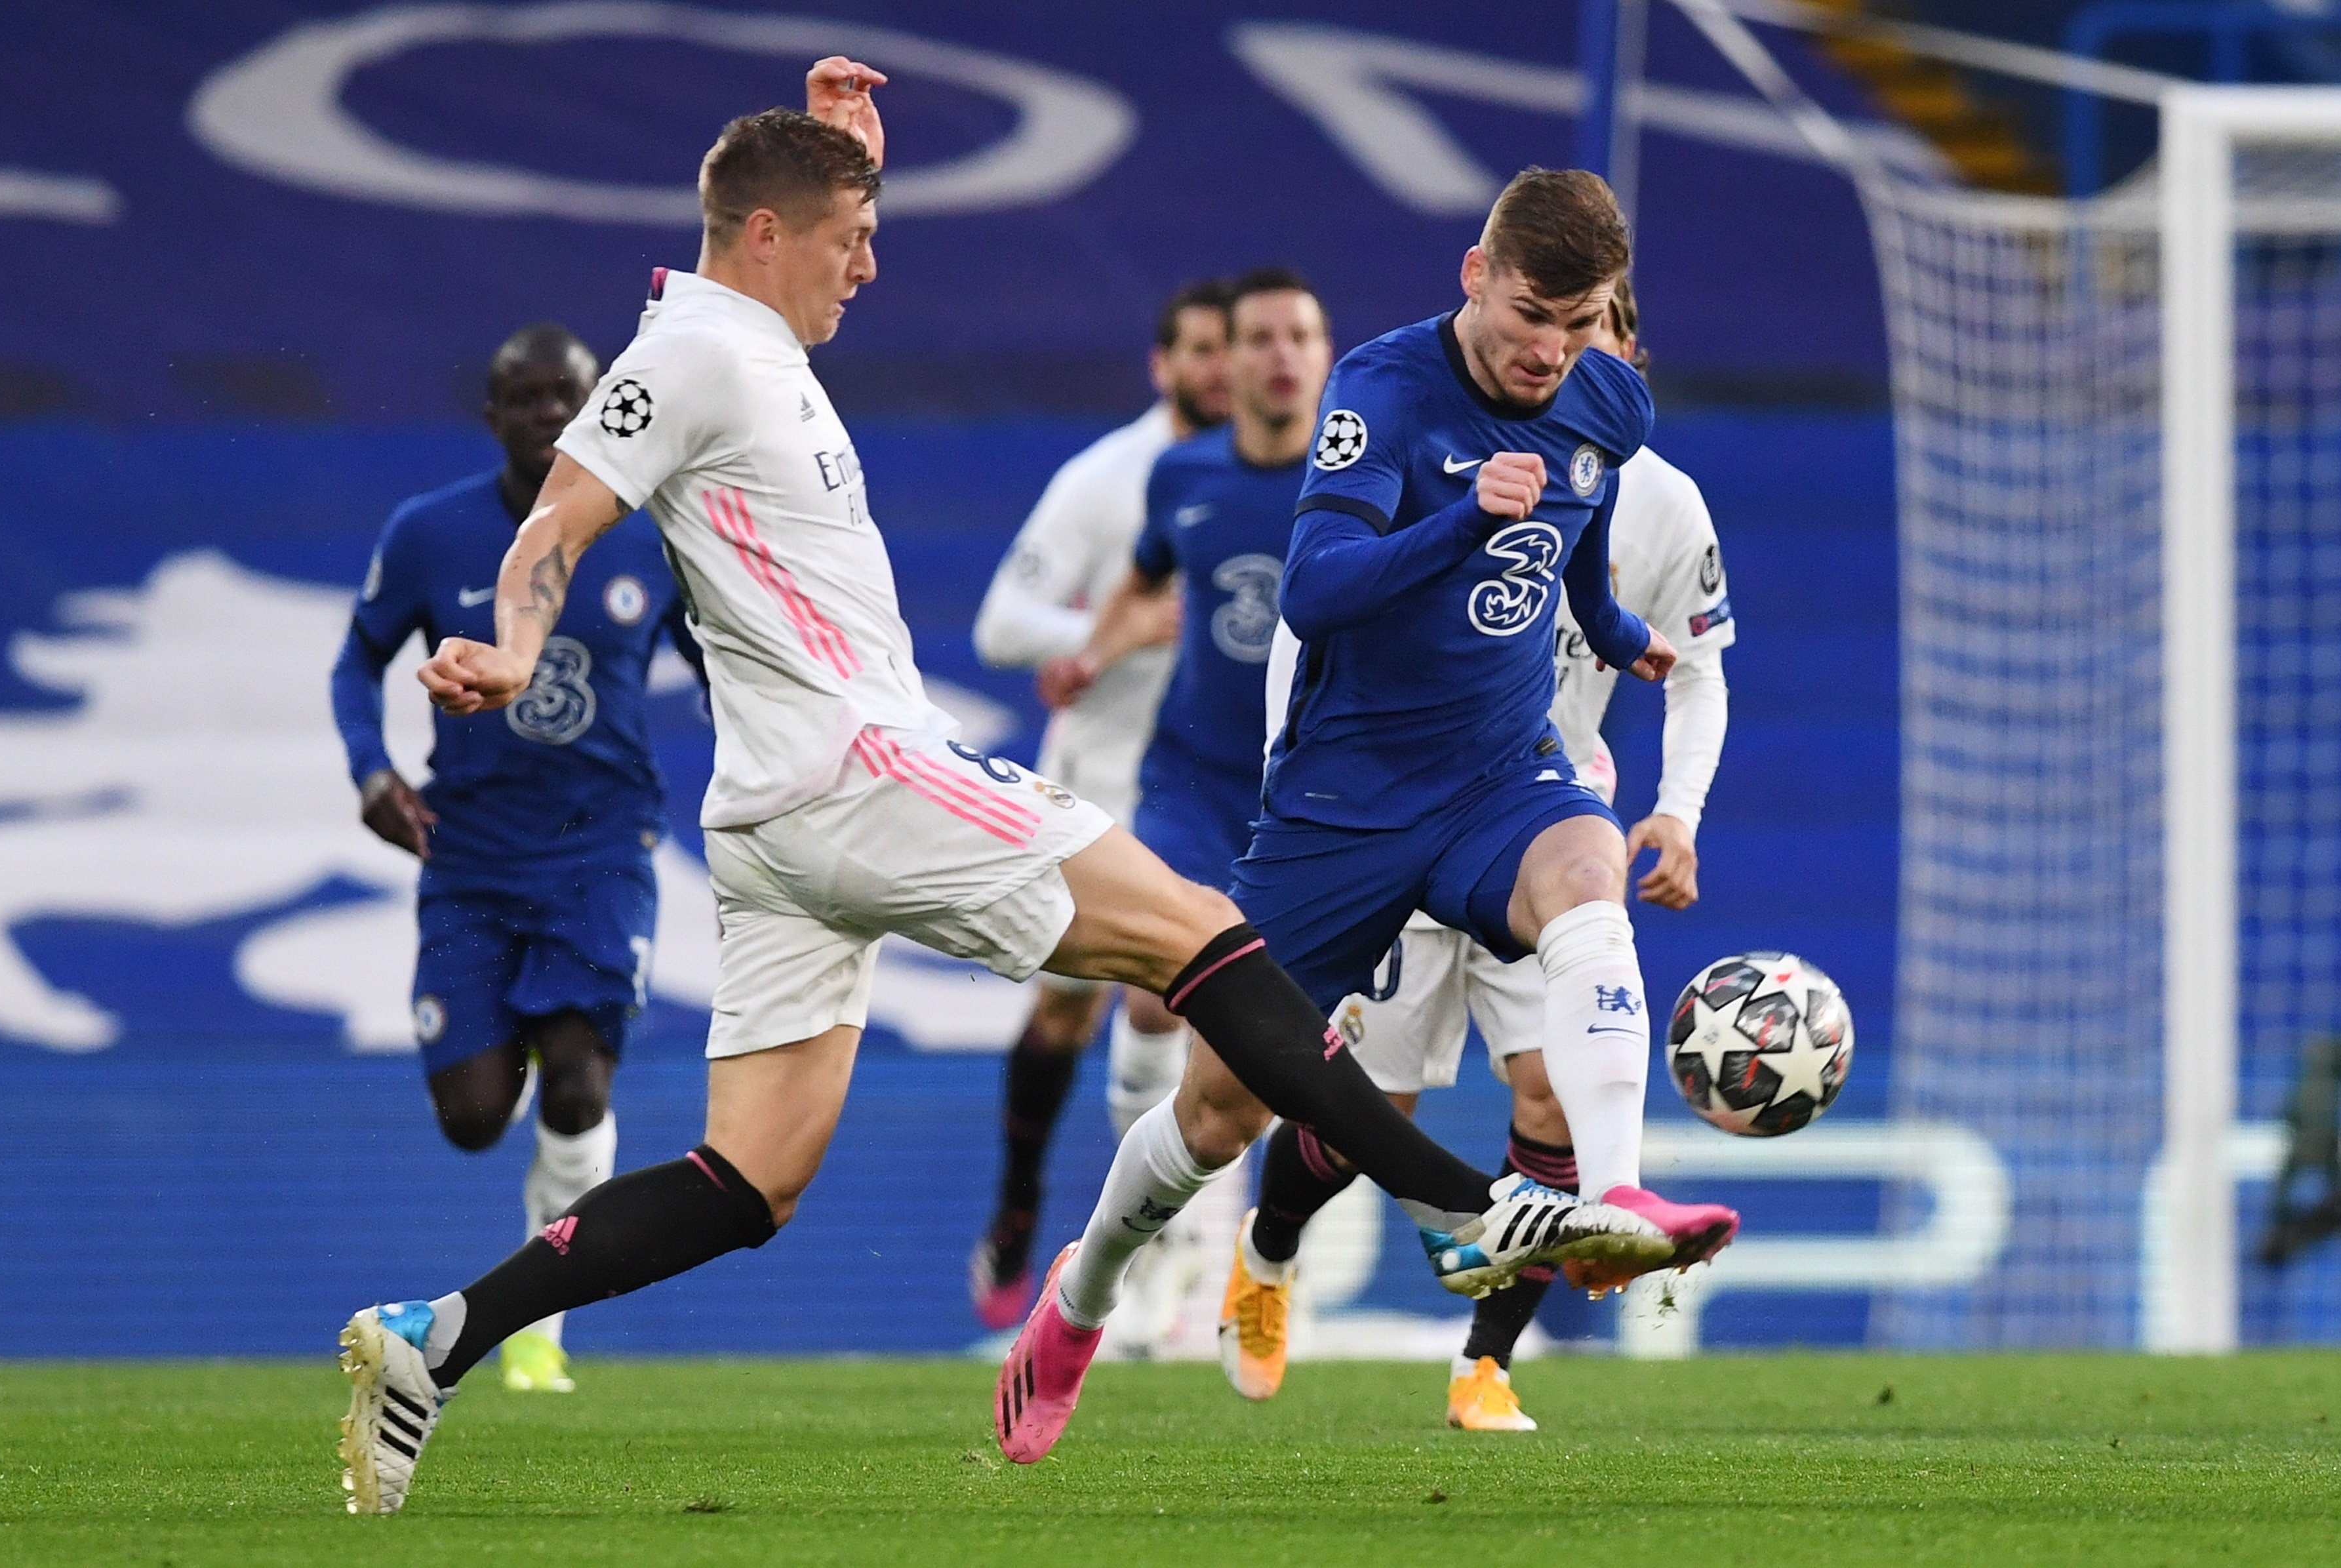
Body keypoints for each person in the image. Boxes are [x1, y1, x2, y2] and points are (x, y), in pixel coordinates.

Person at [335, 61, 1630, 1514]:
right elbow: (555, 523)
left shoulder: (743, 332)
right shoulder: (688, 352)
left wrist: (845, 152)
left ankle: (433, 1337)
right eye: (849, 239)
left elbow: (777, 227)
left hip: (772, 819)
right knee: (1200, 933)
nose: (871, 266)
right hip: (858, 767)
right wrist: (516, 647)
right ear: (764, 238)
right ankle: (1464, 1210)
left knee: (749, 1178)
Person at [1003, 171, 1741, 1464]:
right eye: (1527, 317)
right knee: (1215, 1113)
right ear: (1473, 275)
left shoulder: (1600, 394)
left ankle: (1615, 1190)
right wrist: (1464, 517)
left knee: (1585, 867)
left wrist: (1618, 635)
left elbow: (1572, 531)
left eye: (1576, 326)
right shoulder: (1383, 393)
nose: (1547, 352)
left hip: (1499, 775)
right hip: (1344, 803)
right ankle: (1080, 1298)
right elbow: (1315, 588)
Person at [1216, 277, 1740, 1428]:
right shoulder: (1443, 439)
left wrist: (1680, 811)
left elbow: (1693, 664)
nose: (1555, 365)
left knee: (1549, 1092)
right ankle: (1268, 1254)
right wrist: (1290, 785)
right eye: (1541, 336)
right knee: (1369, 1110)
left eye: (1587, 341)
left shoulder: (1657, 501)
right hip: (1391, 804)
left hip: (1534, 815)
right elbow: (1317, 615)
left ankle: (1488, 1363)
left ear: (1627, 359)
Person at [328, 323, 702, 1397]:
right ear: (491, 417)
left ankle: (541, 1334)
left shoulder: (647, 532)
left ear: (597, 412)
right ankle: (530, 1026)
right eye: (526, 399)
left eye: (567, 398)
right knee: (474, 1117)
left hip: (601, 851)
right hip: (472, 857)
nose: (549, 414)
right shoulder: (428, 534)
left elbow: (720, 662)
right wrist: (372, 775)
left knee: (581, 1080)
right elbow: (356, 662)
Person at [1033, 268, 1332, 1353]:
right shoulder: (1182, 475)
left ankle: (1225, 1256)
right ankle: (1154, 1254)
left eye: (1302, 334)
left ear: (1324, 352)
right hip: (1191, 784)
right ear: (1232, 357)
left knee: (1274, 1057)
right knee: (1155, 1003)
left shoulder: (1359, 478)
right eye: (1261, 337)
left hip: (1310, 800)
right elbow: (1146, 577)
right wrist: (1094, 652)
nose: (1282, 355)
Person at [965, 279, 1233, 1334]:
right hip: (1105, 776)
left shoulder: (1284, 474)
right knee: (1070, 1009)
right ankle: (1021, 1199)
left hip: (1215, 782)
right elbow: (998, 625)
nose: (1222, 368)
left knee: (1176, 991)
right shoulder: (1108, 479)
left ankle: (1168, 1251)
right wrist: (1105, 631)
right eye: (1201, 350)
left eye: (1237, 347)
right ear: (1162, 365)